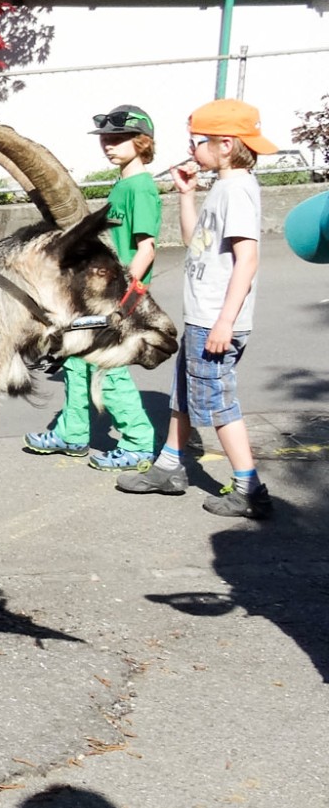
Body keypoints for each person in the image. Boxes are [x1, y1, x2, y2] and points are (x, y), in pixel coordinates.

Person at [116, 100, 277, 520]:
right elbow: (195, 243)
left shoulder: (238, 190)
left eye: (198, 143)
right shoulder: (222, 186)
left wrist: (225, 321)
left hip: (216, 321)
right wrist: (187, 195)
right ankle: (169, 466)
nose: (192, 150)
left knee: (219, 405)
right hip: (203, 318)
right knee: (184, 395)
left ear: (225, 145)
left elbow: (249, 259)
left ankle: (249, 487)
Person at [24, 104, 161, 467]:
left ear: (142, 142)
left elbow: (146, 247)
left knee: (109, 372)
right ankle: (73, 433)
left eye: (118, 139)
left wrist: (124, 297)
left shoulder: (141, 188)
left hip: (118, 302)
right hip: (99, 300)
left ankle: (138, 442)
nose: (109, 145)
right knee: (76, 363)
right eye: (106, 139)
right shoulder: (124, 185)